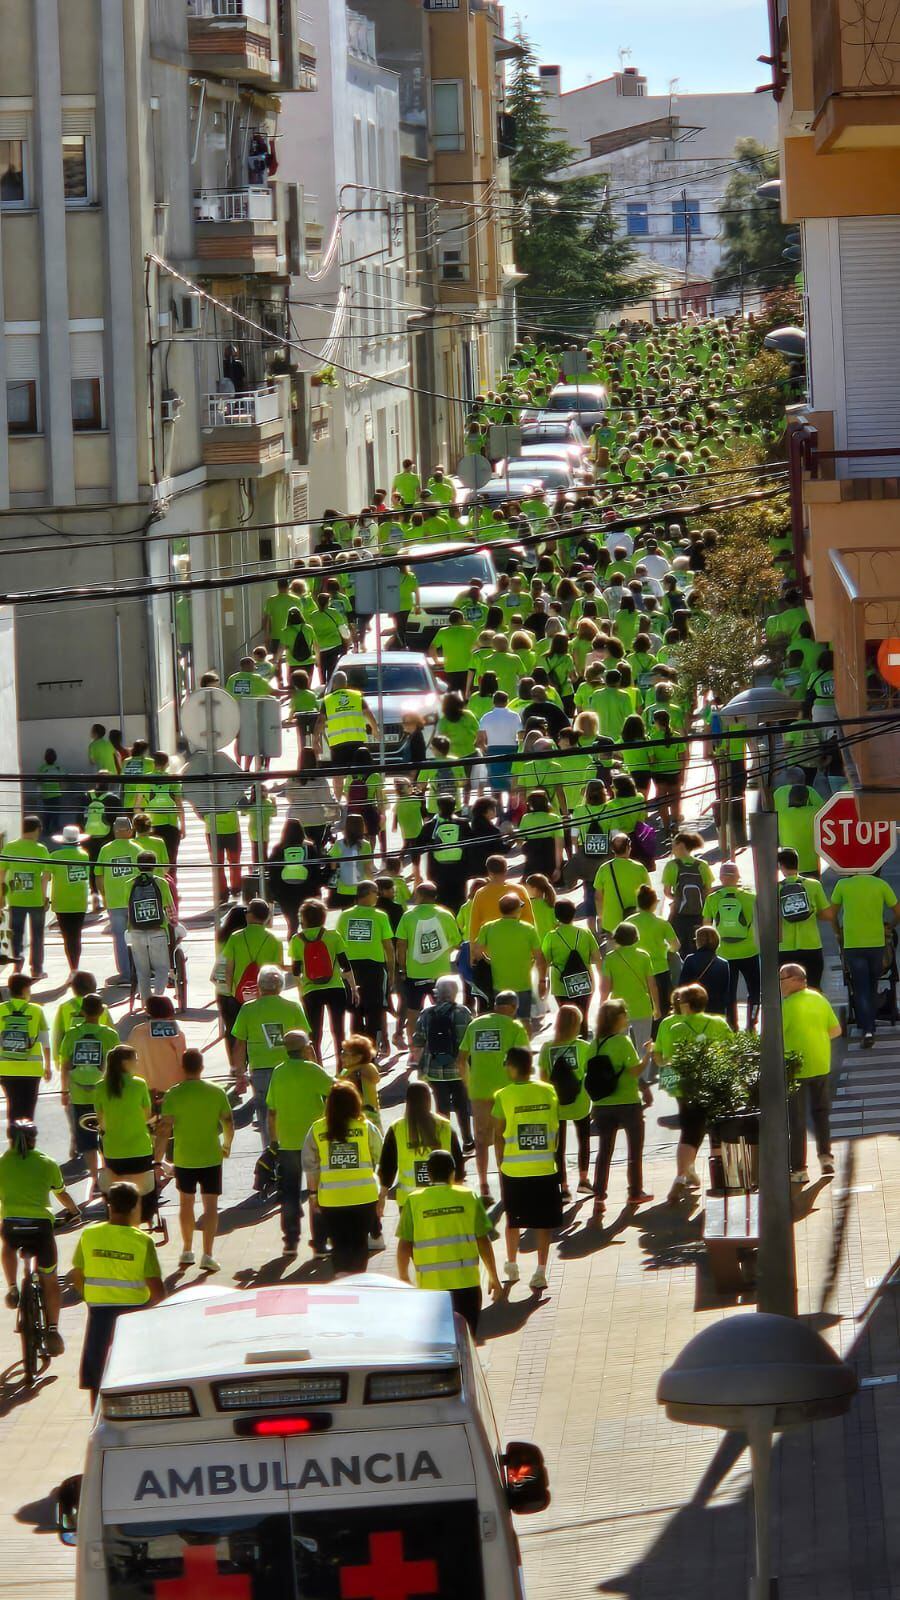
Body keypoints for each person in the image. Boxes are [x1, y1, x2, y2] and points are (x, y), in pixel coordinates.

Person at [71, 1180, 164, 1405]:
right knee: (136, 1374)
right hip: (133, 1316)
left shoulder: (89, 1235)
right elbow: (158, 1291)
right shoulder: (143, 1241)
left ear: (108, 1205)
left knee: (96, 1377)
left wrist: (91, 1296)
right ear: (135, 1207)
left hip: (99, 1314)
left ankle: (97, 1420)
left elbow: (76, 1276)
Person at [396, 1149, 501, 1334]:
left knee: (439, 1338)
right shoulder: (469, 1197)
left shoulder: (413, 1201)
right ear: (453, 1172)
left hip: (431, 1288)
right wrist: (493, 1276)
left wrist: (404, 1277)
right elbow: (482, 1241)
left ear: (427, 1174)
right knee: (468, 1337)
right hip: (466, 1284)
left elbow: (404, 1244)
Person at [0, 1120, 79, 1357]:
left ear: (9, 1137)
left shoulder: (2, 1163)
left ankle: (13, 1287)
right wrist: (75, 1212)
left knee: (7, 1244)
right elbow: (61, 1193)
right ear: (35, 1139)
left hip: (13, 1224)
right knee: (50, 1279)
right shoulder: (46, 1163)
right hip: (41, 1228)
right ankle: (53, 1330)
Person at [653, 984, 733, 1203]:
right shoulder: (718, 1023)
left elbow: (661, 1059)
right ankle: (719, 1178)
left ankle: (682, 1175)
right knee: (715, 1128)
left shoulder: (670, 1025)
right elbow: (732, 1050)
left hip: (683, 1086)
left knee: (689, 1130)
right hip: (712, 1082)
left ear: (685, 1005)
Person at [155, 1049, 233, 1272]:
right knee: (211, 1207)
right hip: (210, 1156)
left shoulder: (173, 1094)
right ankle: (208, 1254)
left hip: (185, 1158)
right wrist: (226, 1145)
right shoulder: (216, 1092)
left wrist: (157, 1159)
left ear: (183, 1067)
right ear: (202, 1067)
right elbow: (228, 1122)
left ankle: (187, 1250)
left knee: (185, 1204)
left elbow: (164, 1130)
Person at [492, 1046, 561, 1292]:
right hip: (544, 1166)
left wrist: (500, 1163)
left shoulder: (503, 1095)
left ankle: (511, 1266)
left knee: (513, 1218)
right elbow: (556, 1128)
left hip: (514, 1170)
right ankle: (540, 1271)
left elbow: (498, 1134)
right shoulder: (549, 1091)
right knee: (543, 1222)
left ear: (512, 1066)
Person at [303, 1080, 383, 1275]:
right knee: (359, 1242)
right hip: (364, 1196)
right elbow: (381, 1154)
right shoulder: (366, 1127)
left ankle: (341, 1277)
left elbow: (310, 1165)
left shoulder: (317, 1129)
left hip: (331, 1198)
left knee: (339, 1243)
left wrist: (313, 1195)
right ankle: (358, 1279)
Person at [456, 991, 528, 1201]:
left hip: (479, 1090)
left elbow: (461, 1060)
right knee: (501, 1138)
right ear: (514, 1008)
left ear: (496, 1005)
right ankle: (506, 1186)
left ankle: (484, 1185)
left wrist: (469, 1083)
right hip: (506, 1091)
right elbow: (523, 1061)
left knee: (480, 1140)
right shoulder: (515, 1027)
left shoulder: (475, 1025)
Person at [266, 1030, 333, 1256]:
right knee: (318, 1191)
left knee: (290, 1193)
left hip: (287, 1141)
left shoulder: (278, 1072)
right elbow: (337, 1091)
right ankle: (321, 1242)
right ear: (306, 1048)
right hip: (314, 1139)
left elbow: (272, 1112)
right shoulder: (313, 1070)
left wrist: (273, 1140)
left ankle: (291, 1241)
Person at [587, 999, 652, 1227]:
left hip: (602, 1106)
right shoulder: (623, 1042)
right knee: (634, 1149)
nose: (628, 1016)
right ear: (617, 1019)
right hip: (627, 1103)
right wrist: (648, 1055)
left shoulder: (593, 1045)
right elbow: (634, 1071)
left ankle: (599, 1197)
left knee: (604, 1151)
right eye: (625, 1013)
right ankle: (635, 1191)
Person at [231, 967, 310, 1147]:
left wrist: (240, 1074)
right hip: (291, 1068)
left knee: (265, 1113)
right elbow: (305, 1041)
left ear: (259, 986)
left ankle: (270, 1153)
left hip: (260, 1070)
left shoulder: (248, 1009)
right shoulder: (292, 1007)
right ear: (281, 985)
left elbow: (239, 1045)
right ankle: (291, 1147)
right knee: (290, 1110)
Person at [780, 964, 841, 1185]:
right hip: (821, 1065)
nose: (780, 983)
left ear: (796, 979)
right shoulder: (819, 998)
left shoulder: (786, 1006)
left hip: (795, 1069)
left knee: (797, 1121)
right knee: (821, 1114)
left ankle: (799, 1169)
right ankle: (826, 1158)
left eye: (782, 979)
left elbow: (773, 1037)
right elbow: (835, 1030)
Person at [830, 870, 900, 1046]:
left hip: (853, 944)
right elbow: (898, 911)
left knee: (860, 988)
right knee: (872, 984)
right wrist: (889, 927)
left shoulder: (843, 885)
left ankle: (867, 1030)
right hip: (876, 944)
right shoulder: (880, 885)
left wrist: (838, 933)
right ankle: (870, 1025)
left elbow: (832, 915)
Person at [59, 993, 118, 1193]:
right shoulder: (110, 1035)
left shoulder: (72, 1034)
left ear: (82, 1012)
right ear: (102, 1011)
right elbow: (116, 1066)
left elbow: (65, 1065)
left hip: (80, 1094)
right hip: (105, 1095)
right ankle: (107, 1174)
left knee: (87, 1139)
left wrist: (64, 1090)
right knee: (107, 1135)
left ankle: (94, 1178)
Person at [378, 1079, 462, 1211]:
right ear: (429, 1100)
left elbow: (388, 1166)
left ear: (407, 1101)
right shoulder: (444, 1126)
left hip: (409, 1201)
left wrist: (382, 1196)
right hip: (441, 1199)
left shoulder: (397, 1128)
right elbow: (457, 1163)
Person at [395, 883, 461, 1050]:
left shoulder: (408, 916)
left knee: (413, 1012)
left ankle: (414, 1051)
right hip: (440, 974)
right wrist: (440, 953)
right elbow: (457, 942)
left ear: (419, 895)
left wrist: (402, 968)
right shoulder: (445, 915)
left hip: (415, 973)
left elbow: (401, 945)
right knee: (445, 1011)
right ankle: (446, 1046)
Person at [93, 1045, 156, 1220]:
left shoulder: (100, 1087)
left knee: (118, 1190)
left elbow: (101, 1121)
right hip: (139, 1148)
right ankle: (140, 1219)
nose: (137, 1062)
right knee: (140, 1189)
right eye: (135, 1059)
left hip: (114, 1150)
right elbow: (147, 1114)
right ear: (125, 1063)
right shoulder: (139, 1084)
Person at [291, 898, 358, 1060]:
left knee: (314, 1034)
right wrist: (354, 988)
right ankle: (342, 1067)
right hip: (335, 988)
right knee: (339, 1031)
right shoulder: (333, 936)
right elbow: (346, 966)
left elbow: (296, 971)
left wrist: (301, 993)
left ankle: (317, 1066)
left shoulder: (296, 940)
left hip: (311, 990)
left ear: (303, 919)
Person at [537, 1004, 592, 1199]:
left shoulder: (547, 1048)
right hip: (580, 1101)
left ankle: (563, 1187)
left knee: (558, 1147)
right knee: (583, 1139)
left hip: (556, 1103)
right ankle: (584, 1180)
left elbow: (543, 1078)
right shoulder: (584, 1047)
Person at [412, 977, 473, 1148]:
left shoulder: (426, 1013)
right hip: (459, 1069)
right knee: (462, 1105)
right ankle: (467, 1140)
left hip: (434, 1070)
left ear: (437, 993)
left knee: (442, 1106)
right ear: (455, 993)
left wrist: (421, 1067)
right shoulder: (463, 1012)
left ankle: (446, 1143)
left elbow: (418, 1041)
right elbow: (470, 1040)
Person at [336, 880, 396, 1047]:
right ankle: (371, 1052)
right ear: (368, 894)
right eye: (375, 893)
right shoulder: (380, 916)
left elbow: (338, 944)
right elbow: (388, 947)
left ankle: (357, 1051)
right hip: (374, 968)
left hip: (351, 969)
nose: (377, 897)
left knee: (355, 1010)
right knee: (374, 1011)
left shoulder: (345, 915)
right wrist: (391, 972)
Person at [703, 861, 760, 1030]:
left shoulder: (712, 899)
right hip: (749, 951)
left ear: (720, 878)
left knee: (728, 993)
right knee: (754, 991)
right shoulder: (751, 898)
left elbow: (706, 927)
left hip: (724, 953)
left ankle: (732, 1026)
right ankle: (751, 1023)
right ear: (737, 877)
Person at [472, 893, 546, 1024]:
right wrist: (542, 981)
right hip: (523, 985)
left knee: (504, 1023)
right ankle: (523, 1044)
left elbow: (476, 952)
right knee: (524, 1022)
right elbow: (539, 958)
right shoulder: (528, 929)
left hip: (499, 986)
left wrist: (488, 959)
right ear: (517, 910)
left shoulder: (488, 927)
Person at [0, 816, 51, 978]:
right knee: (37, 935)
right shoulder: (41, 849)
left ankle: (17, 967)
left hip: (15, 899)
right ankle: (37, 969)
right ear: (37, 830)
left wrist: (1, 896)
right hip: (35, 899)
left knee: (16, 934)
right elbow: (45, 876)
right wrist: (44, 897)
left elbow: (1, 873)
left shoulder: (9, 847)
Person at [541, 899, 602, 1029]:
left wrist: (542, 981)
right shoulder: (585, 933)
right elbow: (597, 958)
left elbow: (544, 962)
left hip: (561, 984)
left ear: (556, 916)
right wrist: (602, 979)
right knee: (583, 1018)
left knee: (568, 1020)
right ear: (574, 914)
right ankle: (583, 1039)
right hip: (584, 981)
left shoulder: (551, 936)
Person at [600, 922, 660, 1054]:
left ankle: (625, 1072)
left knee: (620, 1046)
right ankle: (643, 1073)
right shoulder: (644, 956)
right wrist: (656, 1008)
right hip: (642, 1007)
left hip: (618, 1008)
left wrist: (602, 1007)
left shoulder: (610, 958)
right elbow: (652, 985)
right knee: (644, 1045)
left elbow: (605, 988)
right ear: (635, 937)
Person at [221, 897, 284, 1022]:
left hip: (239, 993)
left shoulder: (236, 937)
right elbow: (278, 969)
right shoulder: (274, 940)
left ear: (250, 916)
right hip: (266, 994)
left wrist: (230, 992)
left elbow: (228, 969)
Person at [0, 972, 51, 1127]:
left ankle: (15, 1145)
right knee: (28, 1112)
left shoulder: (1, 1009)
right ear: (24, 990)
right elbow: (45, 1041)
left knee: (12, 1106)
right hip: (31, 1070)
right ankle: (27, 1145)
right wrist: (48, 1066)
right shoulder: (36, 1011)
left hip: (6, 1069)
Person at [777, 848, 832, 989]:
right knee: (814, 988)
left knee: (789, 990)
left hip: (785, 948)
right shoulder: (813, 885)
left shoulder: (775, 889)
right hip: (811, 946)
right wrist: (813, 913)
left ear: (781, 866)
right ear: (797, 864)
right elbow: (828, 915)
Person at [126, 851, 176, 1004]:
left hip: (135, 931)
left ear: (137, 865)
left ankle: (146, 1003)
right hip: (157, 930)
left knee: (142, 971)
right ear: (154, 866)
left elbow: (127, 907)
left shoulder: (129, 884)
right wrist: (174, 923)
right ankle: (158, 1000)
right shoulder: (161, 883)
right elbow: (170, 908)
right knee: (162, 968)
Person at [96, 817, 142, 984]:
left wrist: (104, 896)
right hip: (135, 901)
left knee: (120, 939)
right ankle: (140, 970)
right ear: (130, 831)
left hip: (114, 902)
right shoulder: (137, 849)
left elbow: (98, 875)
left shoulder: (105, 850)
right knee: (138, 937)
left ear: (114, 831)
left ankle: (125, 975)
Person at [663, 831, 714, 956]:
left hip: (679, 914)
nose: (672, 848)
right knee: (699, 947)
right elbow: (708, 891)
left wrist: (679, 899)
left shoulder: (671, 866)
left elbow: (667, 892)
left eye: (673, 845)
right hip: (699, 914)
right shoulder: (702, 865)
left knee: (680, 949)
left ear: (681, 845)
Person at [129, 996, 188, 1101]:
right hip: (172, 1087)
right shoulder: (175, 1033)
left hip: (144, 1086)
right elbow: (183, 1061)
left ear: (148, 1011)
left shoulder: (137, 1031)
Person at [49, 824, 91, 972]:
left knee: (67, 937)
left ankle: (72, 967)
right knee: (76, 936)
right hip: (80, 902)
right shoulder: (84, 855)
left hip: (61, 902)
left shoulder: (54, 856)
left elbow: (46, 877)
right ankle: (76, 967)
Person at [593, 833, 650, 940]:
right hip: (635, 920)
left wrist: (601, 918)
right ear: (629, 847)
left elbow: (598, 898)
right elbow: (648, 894)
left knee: (614, 954)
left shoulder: (604, 869)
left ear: (612, 849)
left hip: (611, 923)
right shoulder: (640, 868)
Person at [679, 926, 731, 1017]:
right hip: (716, 1009)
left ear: (699, 941)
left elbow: (682, 986)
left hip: (694, 1007)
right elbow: (725, 991)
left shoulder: (690, 959)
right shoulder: (723, 963)